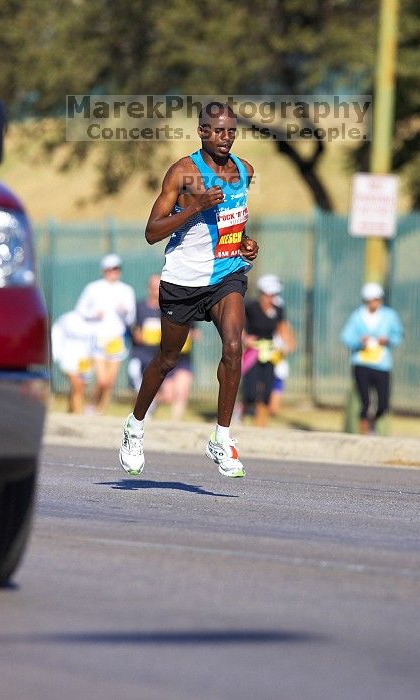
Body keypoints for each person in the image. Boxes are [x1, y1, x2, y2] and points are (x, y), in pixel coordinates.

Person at [119, 102, 259, 478]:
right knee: (167, 359)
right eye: (217, 131)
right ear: (202, 132)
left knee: (233, 346)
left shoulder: (244, 171)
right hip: (183, 281)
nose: (225, 138)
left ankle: (221, 437)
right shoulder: (183, 173)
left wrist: (246, 244)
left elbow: (235, 225)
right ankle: (135, 426)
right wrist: (194, 207)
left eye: (231, 131)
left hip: (225, 276)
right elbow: (152, 232)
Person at [128, 274, 197, 420]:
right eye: (153, 287)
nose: (156, 291)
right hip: (156, 357)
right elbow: (133, 330)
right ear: (148, 288)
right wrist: (139, 334)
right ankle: (147, 405)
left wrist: (192, 335)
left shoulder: (177, 307)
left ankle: (174, 423)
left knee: (182, 390)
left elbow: (193, 330)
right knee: (167, 395)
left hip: (180, 357)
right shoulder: (139, 307)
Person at [340, 282, 404, 435]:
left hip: (382, 365)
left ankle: (372, 424)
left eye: (376, 299)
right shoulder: (357, 316)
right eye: (370, 300)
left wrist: (387, 340)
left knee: (383, 403)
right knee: (365, 402)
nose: (374, 303)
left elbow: (398, 334)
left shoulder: (389, 316)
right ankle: (364, 435)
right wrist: (359, 342)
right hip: (362, 364)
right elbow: (346, 336)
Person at [75, 253, 136, 414]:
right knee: (101, 380)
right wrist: (94, 314)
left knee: (109, 381)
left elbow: (131, 318)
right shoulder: (93, 288)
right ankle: (92, 406)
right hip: (98, 338)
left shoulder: (126, 290)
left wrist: (125, 311)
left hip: (116, 339)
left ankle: (100, 411)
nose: (113, 272)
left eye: (116, 269)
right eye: (110, 269)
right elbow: (80, 310)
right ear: (104, 270)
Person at [241, 274, 297, 426]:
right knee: (251, 391)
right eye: (269, 294)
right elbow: (239, 326)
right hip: (253, 353)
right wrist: (245, 338)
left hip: (270, 354)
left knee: (267, 392)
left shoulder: (278, 309)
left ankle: (260, 424)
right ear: (262, 293)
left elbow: (282, 328)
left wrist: (287, 343)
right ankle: (242, 411)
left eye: (274, 294)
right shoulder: (250, 307)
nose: (272, 298)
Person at [51, 309, 94, 413]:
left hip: (84, 360)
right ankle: (77, 412)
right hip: (68, 359)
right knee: (77, 385)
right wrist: (56, 355)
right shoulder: (67, 320)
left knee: (79, 388)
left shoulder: (94, 322)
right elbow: (56, 336)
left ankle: (72, 411)